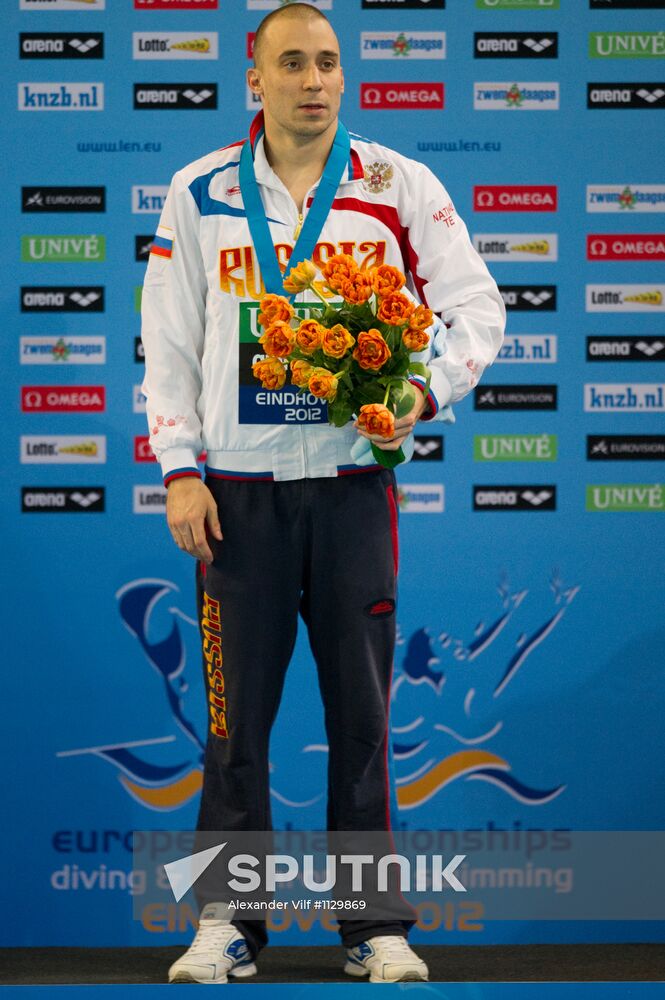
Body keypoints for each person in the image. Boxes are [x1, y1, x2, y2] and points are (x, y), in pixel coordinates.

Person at [141, 2, 505, 985]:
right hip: (235, 501)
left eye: (328, 63)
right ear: (252, 78)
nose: (313, 79)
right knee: (231, 727)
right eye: (291, 63)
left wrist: (418, 390)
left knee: (361, 715)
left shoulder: (395, 185)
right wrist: (178, 468)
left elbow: (476, 307)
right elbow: (168, 348)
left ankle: (371, 925)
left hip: (352, 494)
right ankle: (226, 920)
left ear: (343, 77)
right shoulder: (198, 191)